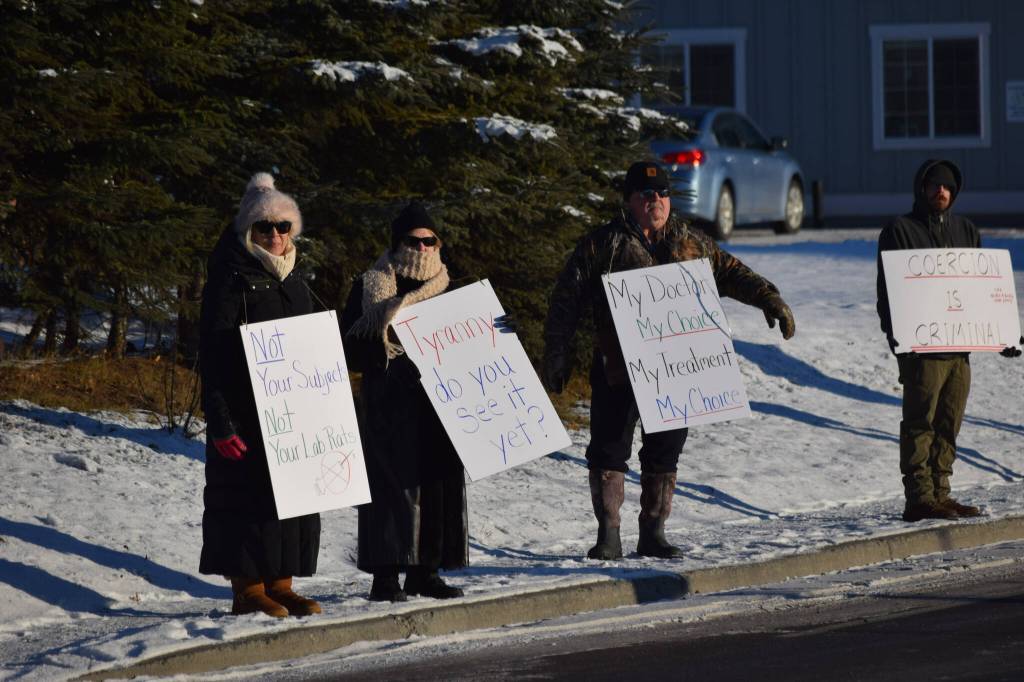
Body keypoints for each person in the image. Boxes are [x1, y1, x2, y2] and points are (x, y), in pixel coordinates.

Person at [543, 161, 796, 560]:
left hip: (675, 371)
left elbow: (732, 273)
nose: (655, 201)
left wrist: (769, 298)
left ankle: (653, 531)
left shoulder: (690, 242)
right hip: (618, 368)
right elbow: (565, 300)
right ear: (629, 200)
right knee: (609, 450)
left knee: (665, 452)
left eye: (662, 193)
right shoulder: (603, 244)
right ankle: (608, 533)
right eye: (646, 195)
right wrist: (556, 354)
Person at [198, 173, 322, 617]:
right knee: (246, 499)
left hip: (291, 413)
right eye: (263, 227)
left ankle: (281, 583)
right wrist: (219, 419)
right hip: (245, 411)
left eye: (282, 226)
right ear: (246, 231)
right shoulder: (230, 277)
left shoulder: (296, 280)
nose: (273, 235)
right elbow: (211, 353)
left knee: (290, 498)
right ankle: (248, 589)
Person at [876, 159, 1021, 523]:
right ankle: (919, 497)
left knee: (949, 422)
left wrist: (1003, 334)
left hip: (960, 351)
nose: (941, 192)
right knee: (919, 422)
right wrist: (899, 339)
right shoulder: (900, 230)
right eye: (935, 186)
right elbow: (888, 294)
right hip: (923, 350)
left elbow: (981, 293)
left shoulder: (966, 230)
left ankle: (942, 493)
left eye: (948, 187)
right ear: (921, 189)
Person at [341, 201, 468, 602]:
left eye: (431, 240)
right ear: (398, 242)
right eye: (415, 240)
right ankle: (385, 577)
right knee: (390, 490)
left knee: (435, 485)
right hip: (388, 402)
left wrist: (502, 329)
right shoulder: (371, 286)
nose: (424, 247)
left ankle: (425, 572)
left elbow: (475, 337)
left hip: (439, 402)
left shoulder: (453, 285)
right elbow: (348, 345)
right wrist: (381, 341)